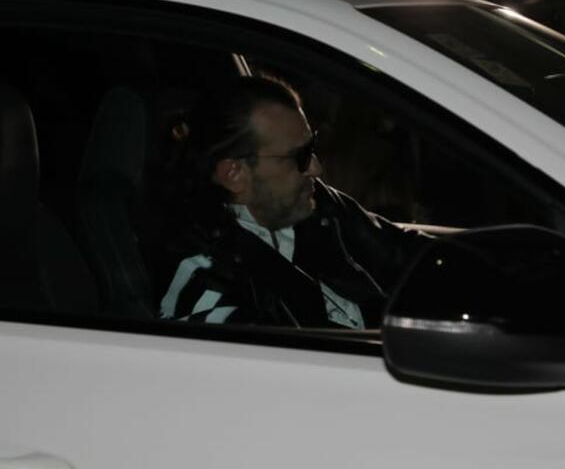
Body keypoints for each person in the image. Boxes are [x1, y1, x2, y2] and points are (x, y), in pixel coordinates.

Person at [160, 75, 431, 328]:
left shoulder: (315, 203)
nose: (316, 168)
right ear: (234, 174)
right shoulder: (204, 277)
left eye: (312, 147)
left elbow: (403, 252)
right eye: (299, 157)